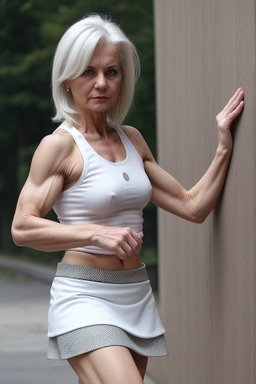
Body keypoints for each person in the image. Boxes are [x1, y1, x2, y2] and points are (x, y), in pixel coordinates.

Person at [11, 14, 244, 384]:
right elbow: (22, 227)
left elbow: (192, 205)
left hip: (135, 294)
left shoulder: (132, 140)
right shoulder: (59, 147)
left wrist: (223, 147)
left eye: (112, 72)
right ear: (67, 80)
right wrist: (95, 234)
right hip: (84, 297)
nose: (101, 83)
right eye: (88, 71)